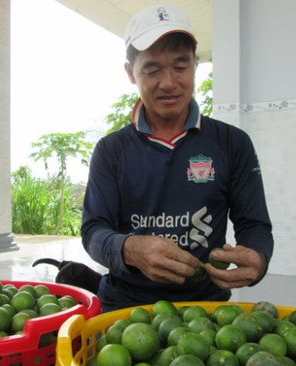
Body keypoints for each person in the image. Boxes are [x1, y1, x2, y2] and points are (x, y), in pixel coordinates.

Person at [80, 4, 274, 312]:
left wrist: (258, 258)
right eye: (152, 69)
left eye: (180, 67)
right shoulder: (111, 150)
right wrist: (130, 249)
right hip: (124, 308)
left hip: (206, 310)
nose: (169, 82)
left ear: (196, 65)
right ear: (131, 72)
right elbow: (93, 231)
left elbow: (255, 225)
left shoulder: (232, 143)